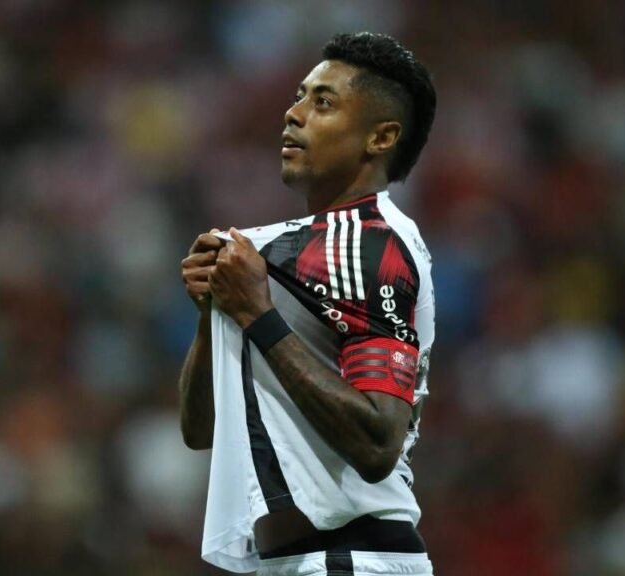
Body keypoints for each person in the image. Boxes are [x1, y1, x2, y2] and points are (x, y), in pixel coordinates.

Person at [179, 32, 437, 575]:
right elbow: (202, 431)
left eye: (323, 103)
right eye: (299, 96)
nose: (293, 114)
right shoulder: (281, 253)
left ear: (380, 136)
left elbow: (377, 444)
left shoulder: (370, 243)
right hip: (295, 561)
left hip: (351, 557)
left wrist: (256, 314)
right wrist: (211, 315)